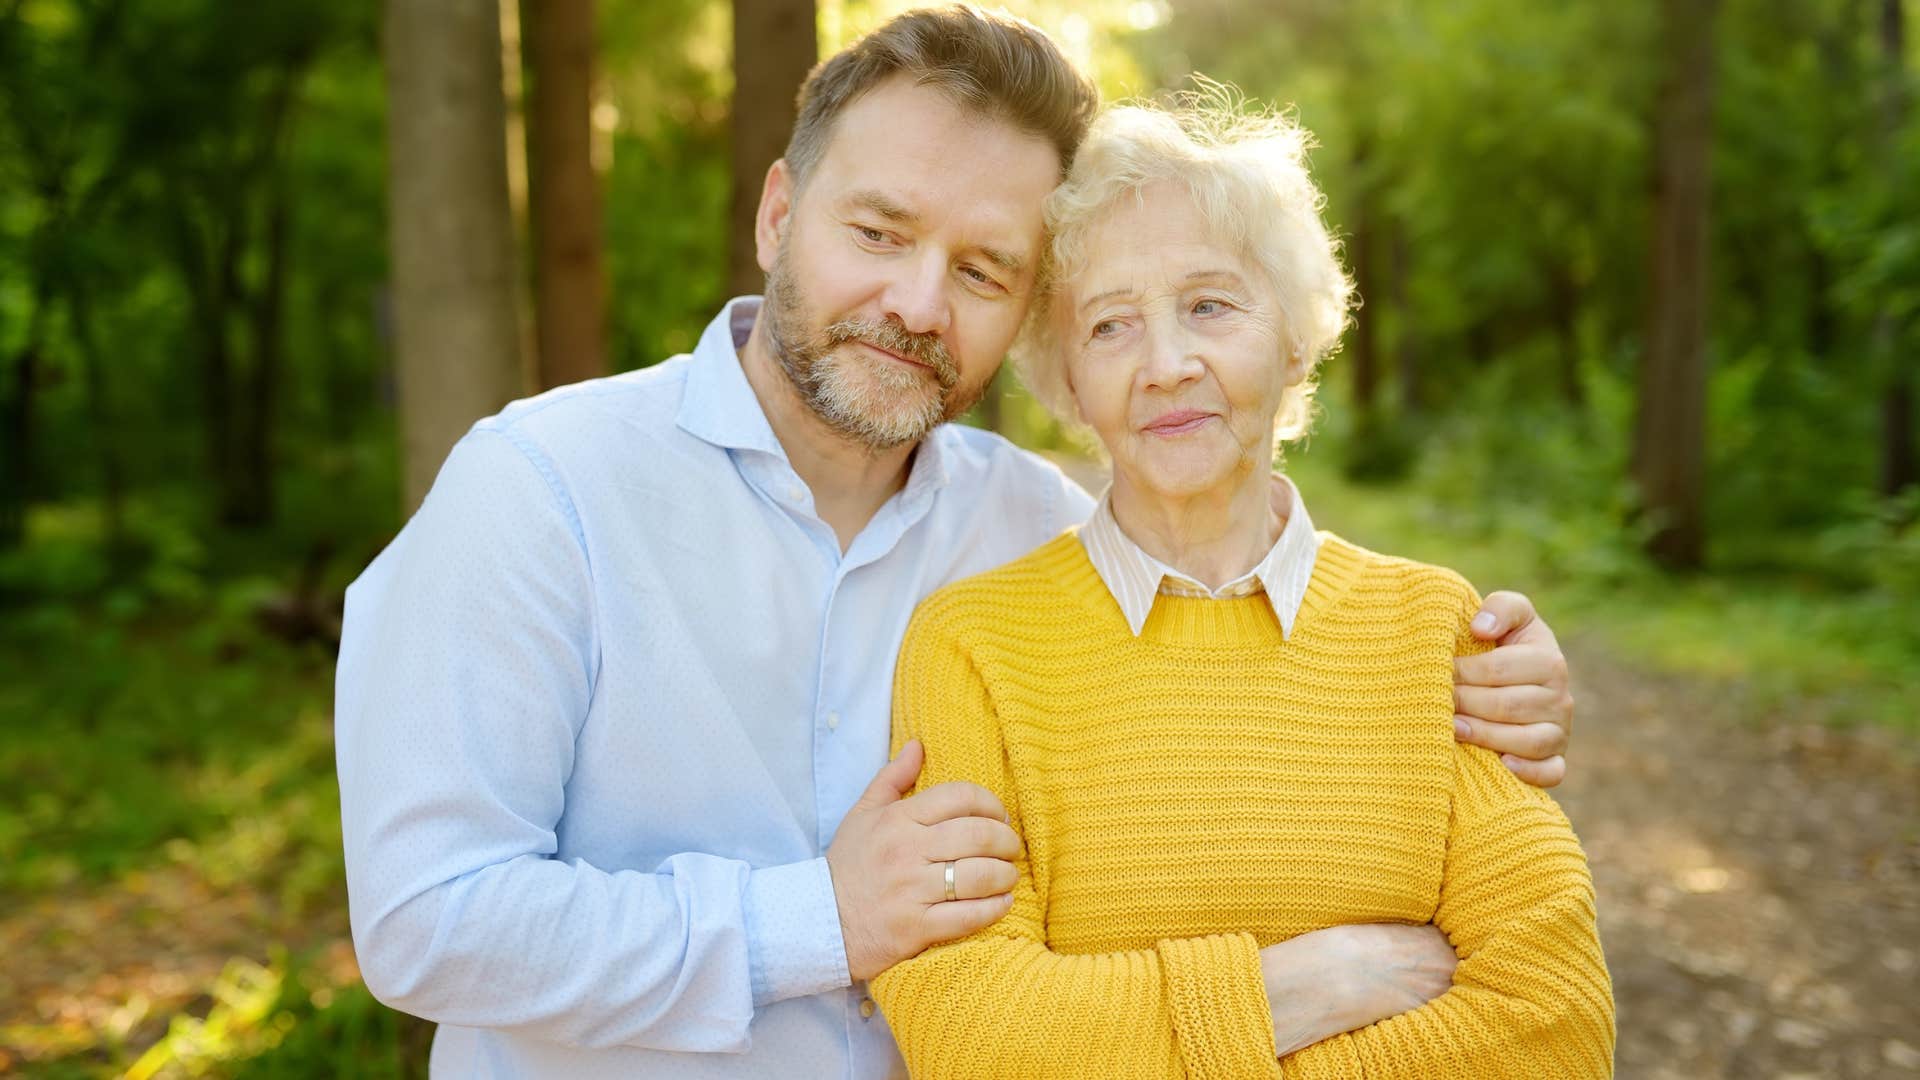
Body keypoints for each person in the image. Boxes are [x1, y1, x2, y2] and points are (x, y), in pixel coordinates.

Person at [334, 7, 1579, 1077]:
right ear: (778, 214)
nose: (919, 304)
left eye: (983, 270)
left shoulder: (1034, 528)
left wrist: (1484, 666)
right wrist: (813, 918)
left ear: (1025, 315)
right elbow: (428, 919)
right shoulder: (545, 489)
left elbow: (1246, 589)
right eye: (878, 233)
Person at [872, 94, 1614, 1078]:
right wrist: (1314, 986)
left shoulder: (1438, 629)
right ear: (1067, 380)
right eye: (1110, 327)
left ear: (1297, 336)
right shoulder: (972, 646)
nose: (1167, 366)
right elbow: (972, 1033)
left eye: (1211, 306)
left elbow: (1555, 1024)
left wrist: (1133, 1039)